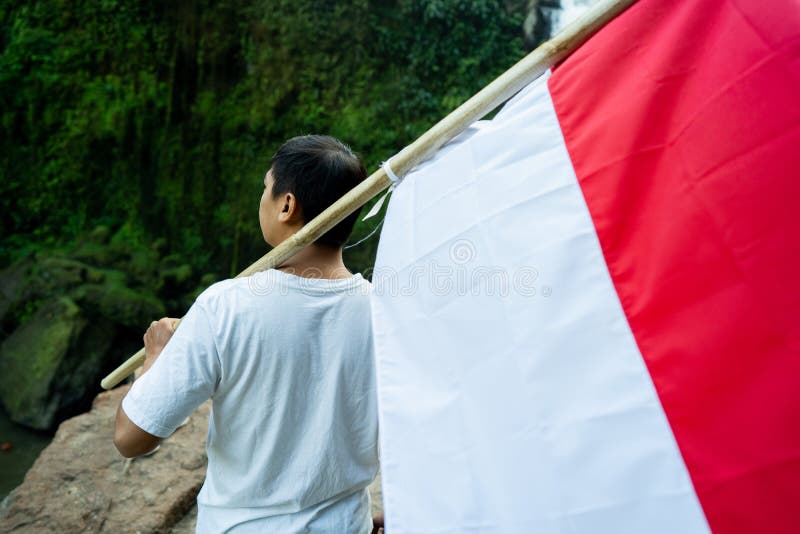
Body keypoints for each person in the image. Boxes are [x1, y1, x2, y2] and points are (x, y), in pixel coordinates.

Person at [114, 135, 380, 533]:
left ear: (287, 205)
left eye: (266, 189)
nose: (263, 199)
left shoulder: (225, 306)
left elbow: (131, 438)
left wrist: (154, 361)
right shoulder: (385, 312)